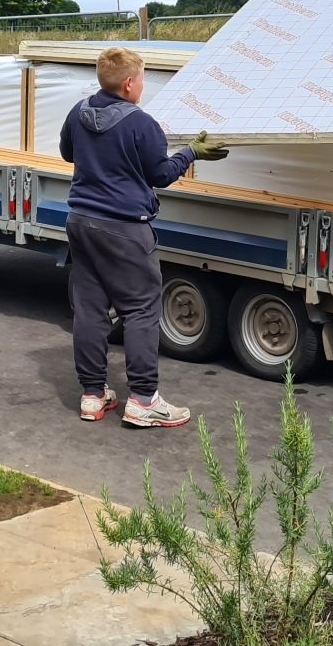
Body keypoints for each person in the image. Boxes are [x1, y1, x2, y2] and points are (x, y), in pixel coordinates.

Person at [59, 46, 227, 427]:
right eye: (142, 79)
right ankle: (143, 400)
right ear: (129, 84)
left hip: (81, 222)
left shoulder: (78, 112)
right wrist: (191, 152)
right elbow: (161, 174)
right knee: (140, 311)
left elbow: (69, 153)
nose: (143, 85)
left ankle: (92, 395)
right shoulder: (141, 123)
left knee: (90, 310)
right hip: (125, 229)